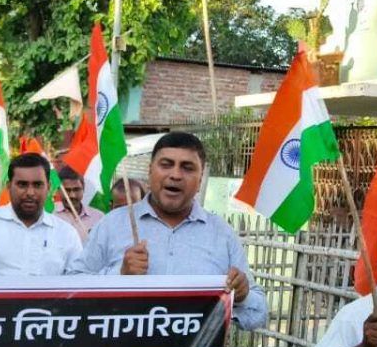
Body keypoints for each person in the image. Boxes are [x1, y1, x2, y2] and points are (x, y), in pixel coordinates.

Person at [81, 132, 267, 331]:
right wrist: (119, 276)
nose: (176, 175)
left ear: (200, 179)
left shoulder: (222, 235)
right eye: (166, 164)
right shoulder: (112, 225)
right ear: (150, 171)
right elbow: (70, 290)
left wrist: (242, 296)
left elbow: (259, 315)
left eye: (187, 168)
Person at [0, 153, 82, 276]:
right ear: (9, 186)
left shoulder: (67, 234)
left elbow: (77, 281)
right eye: (22, 185)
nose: (30, 192)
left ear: (49, 187)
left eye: (37, 185)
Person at [55, 166, 103, 243]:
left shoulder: (98, 218)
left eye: (76, 189)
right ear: (58, 190)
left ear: (83, 189)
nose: (72, 195)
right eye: (67, 190)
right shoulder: (49, 214)